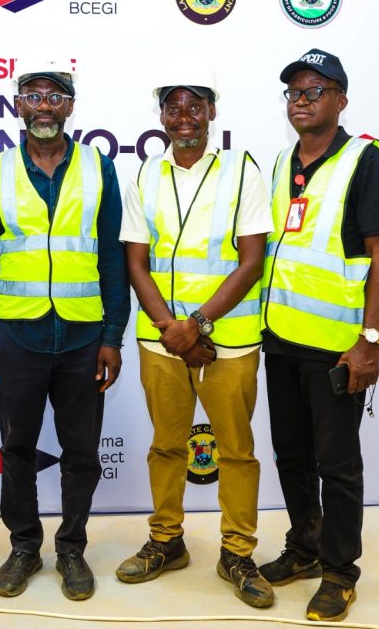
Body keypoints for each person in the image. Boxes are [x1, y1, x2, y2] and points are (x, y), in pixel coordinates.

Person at [0, 60, 130, 601]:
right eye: (33, 96)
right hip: (17, 337)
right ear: (18, 106)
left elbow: (114, 259)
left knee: (82, 452)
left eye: (55, 97)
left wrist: (112, 337)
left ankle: (72, 548)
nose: (44, 107)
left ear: (70, 107)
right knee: (17, 448)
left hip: (83, 339)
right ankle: (24, 546)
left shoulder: (99, 169)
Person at [115, 76, 275, 608]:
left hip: (229, 341)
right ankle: (166, 541)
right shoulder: (145, 173)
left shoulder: (241, 170)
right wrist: (175, 331)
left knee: (236, 452)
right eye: (173, 106)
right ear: (162, 116)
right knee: (166, 446)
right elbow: (136, 263)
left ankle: (237, 553)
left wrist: (198, 324)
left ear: (211, 112)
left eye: (195, 105)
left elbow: (251, 261)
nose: (184, 115)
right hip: (162, 341)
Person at [259, 48, 379, 622]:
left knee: (338, 466)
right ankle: (305, 546)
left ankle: (340, 573)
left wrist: (370, 340)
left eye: (315, 91)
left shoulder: (365, 159)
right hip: (281, 338)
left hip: (338, 347)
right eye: (294, 92)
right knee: (292, 455)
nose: (302, 100)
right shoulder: (280, 162)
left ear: (341, 100)